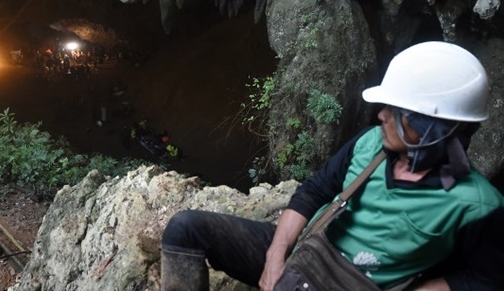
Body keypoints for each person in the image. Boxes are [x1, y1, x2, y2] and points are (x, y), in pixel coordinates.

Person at [160, 41, 504, 290]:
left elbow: (485, 277)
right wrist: (274, 258)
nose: (381, 115)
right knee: (186, 228)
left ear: (433, 130)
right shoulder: (371, 143)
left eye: (398, 113)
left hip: (356, 283)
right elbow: (315, 191)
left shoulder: (477, 204)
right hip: (309, 251)